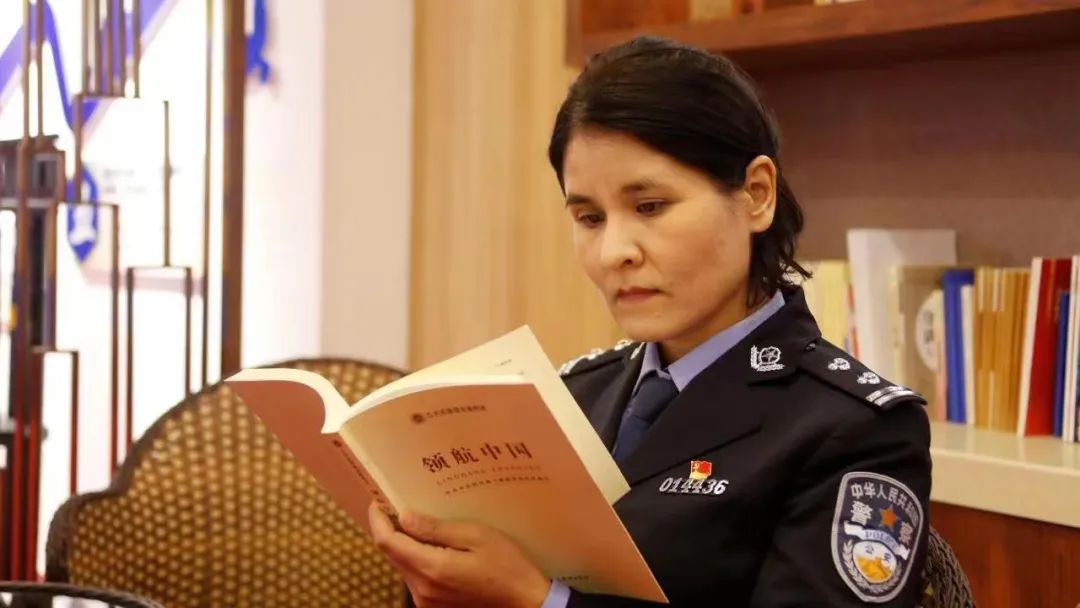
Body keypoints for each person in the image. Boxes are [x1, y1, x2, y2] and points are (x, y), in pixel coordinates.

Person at [369, 35, 932, 607]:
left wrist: (537, 601)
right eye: (589, 217)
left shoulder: (851, 429)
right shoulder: (567, 398)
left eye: (650, 207)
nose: (615, 251)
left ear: (756, 195)